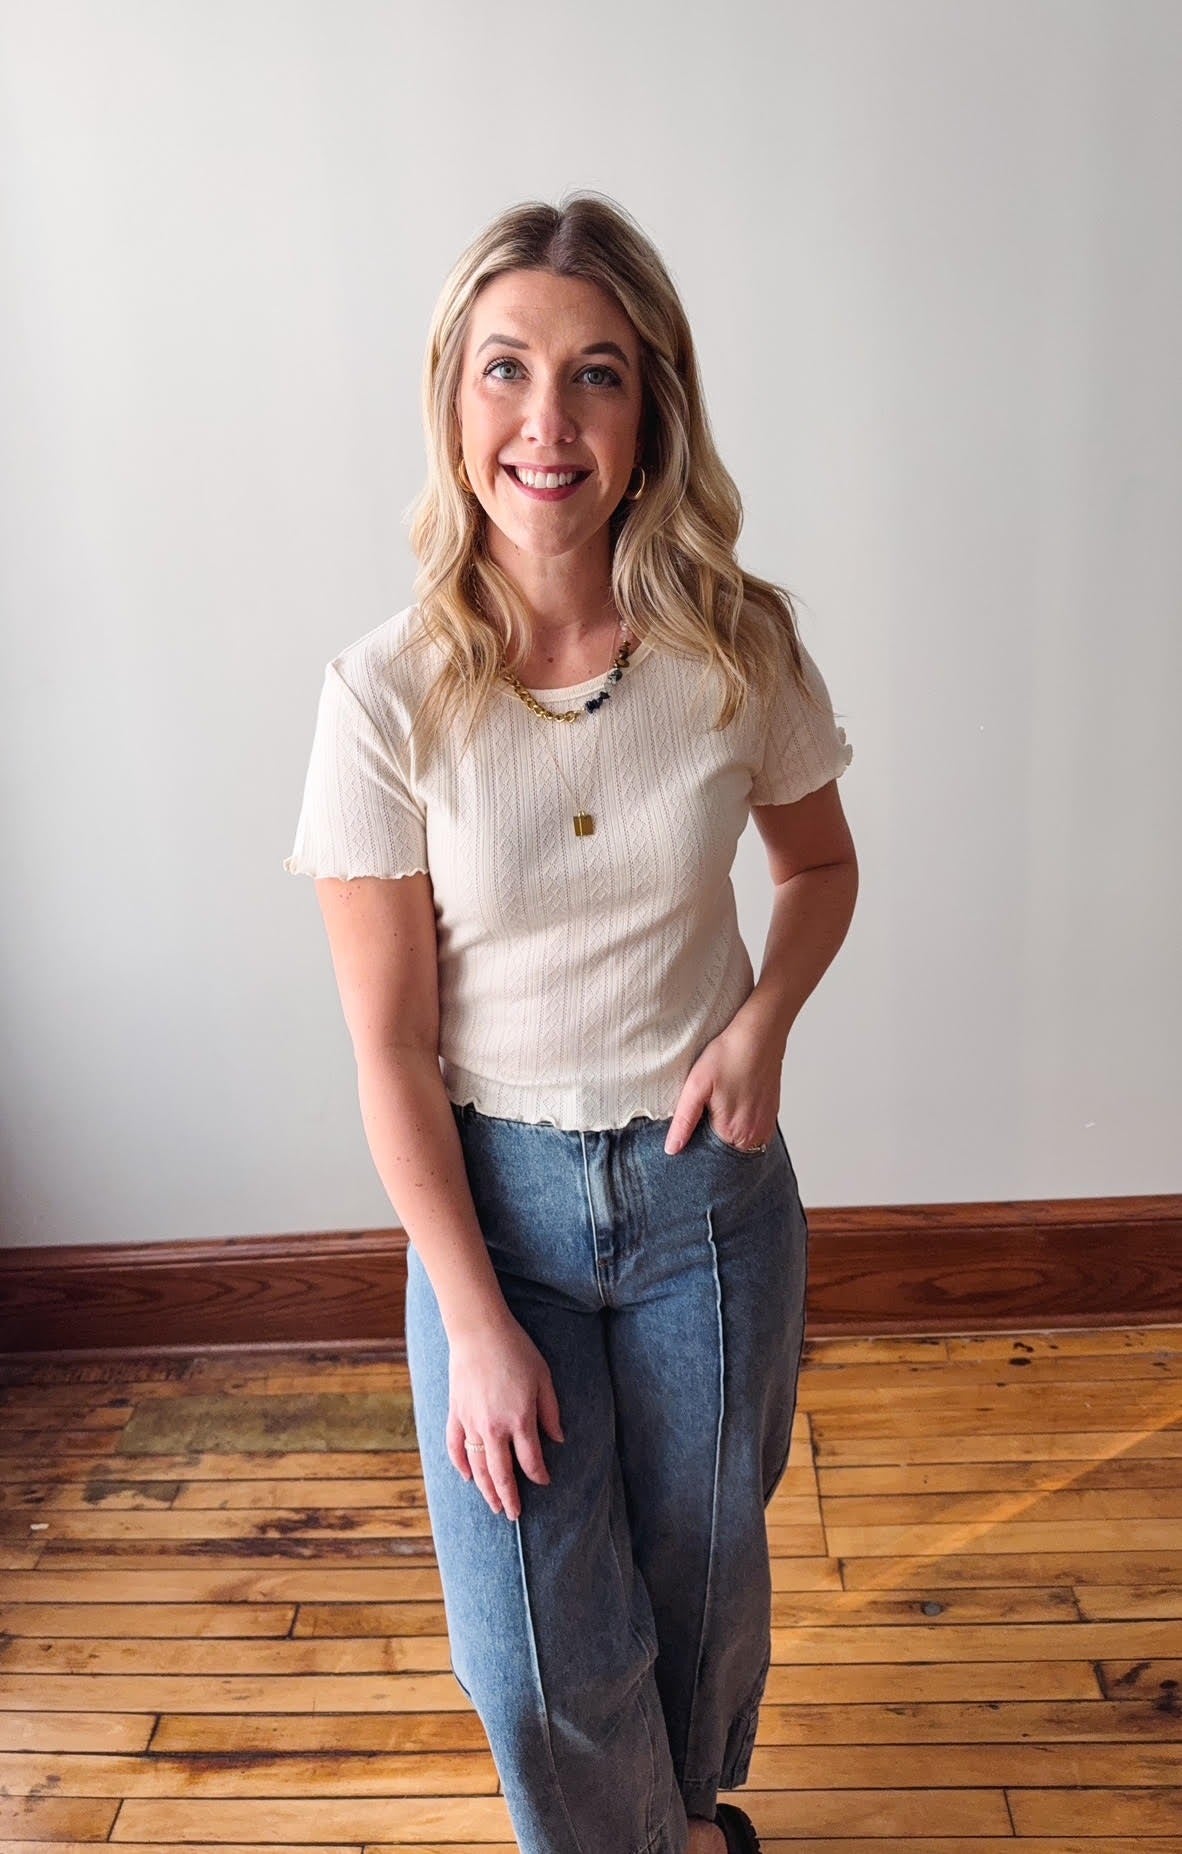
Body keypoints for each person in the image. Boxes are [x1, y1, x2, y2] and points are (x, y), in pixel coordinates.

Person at [283, 190, 857, 1854]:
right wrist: (471, 1317)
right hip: (500, 1217)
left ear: (650, 405)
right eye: (506, 368)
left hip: (707, 1198)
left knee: (696, 1583)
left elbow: (817, 866)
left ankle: (680, 1827)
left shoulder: (735, 646)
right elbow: (390, 1049)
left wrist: (764, 1018)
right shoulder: (383, 697)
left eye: (596, 373)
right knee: (531, 1652)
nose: (547, 421)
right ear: (452, 396)